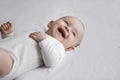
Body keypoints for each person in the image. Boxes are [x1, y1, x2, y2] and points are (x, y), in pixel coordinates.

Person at [0, 16, 84, 80]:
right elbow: (15, 44)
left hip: (12, 61)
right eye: (66, 23)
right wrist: (8, 35)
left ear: (69, 48)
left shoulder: (58, 47)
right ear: (50, 23)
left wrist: (44, 41)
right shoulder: (35, 32)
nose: (68, 28)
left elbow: (51, 61)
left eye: (73, 33)